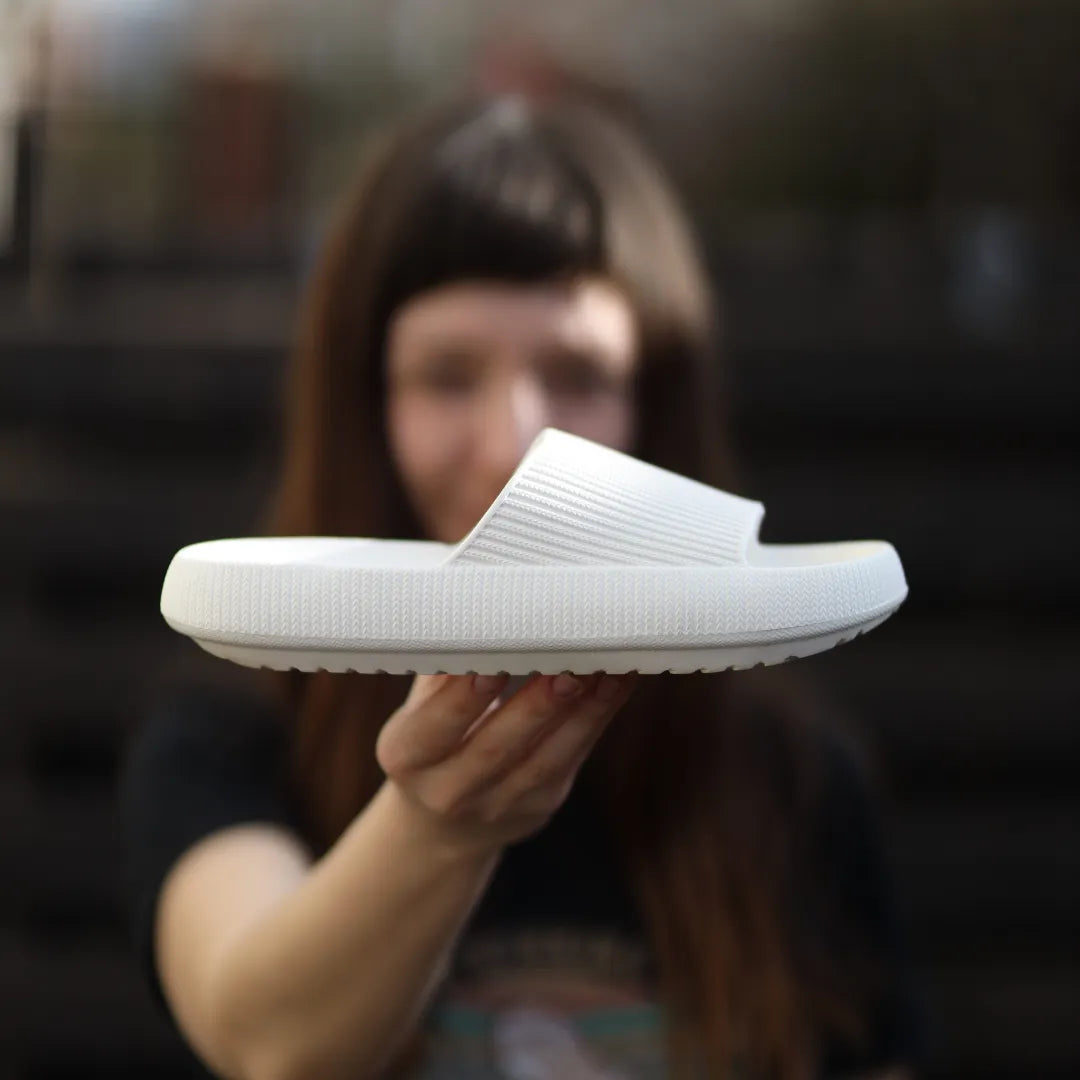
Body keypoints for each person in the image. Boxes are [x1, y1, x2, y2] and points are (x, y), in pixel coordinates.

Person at [120, 91, 925, 1080]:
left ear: (653, 403)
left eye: (578, 374)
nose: (511, 446)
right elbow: (264, 1039)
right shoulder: (228, 738)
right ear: (368, 405)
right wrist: (434, 833)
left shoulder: (790, 775)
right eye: (448, 376)